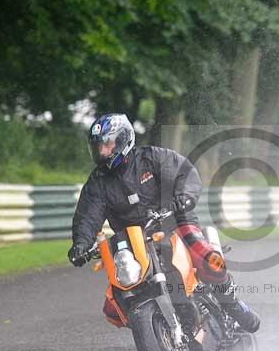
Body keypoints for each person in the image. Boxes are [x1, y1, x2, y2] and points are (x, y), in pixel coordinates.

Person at [67, 113, 260, 332]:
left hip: (175, 221)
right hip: (133, 241)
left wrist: (184, 197)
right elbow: (87, 216)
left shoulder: (152, 157)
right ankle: (157, 327)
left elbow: (184, 172)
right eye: (98, 147)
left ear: (123, 139)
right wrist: (81, 244)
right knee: (114, 307)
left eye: (107, 145)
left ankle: (232, 304)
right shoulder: (97, 183)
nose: (102, 152)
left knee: (208, 259)